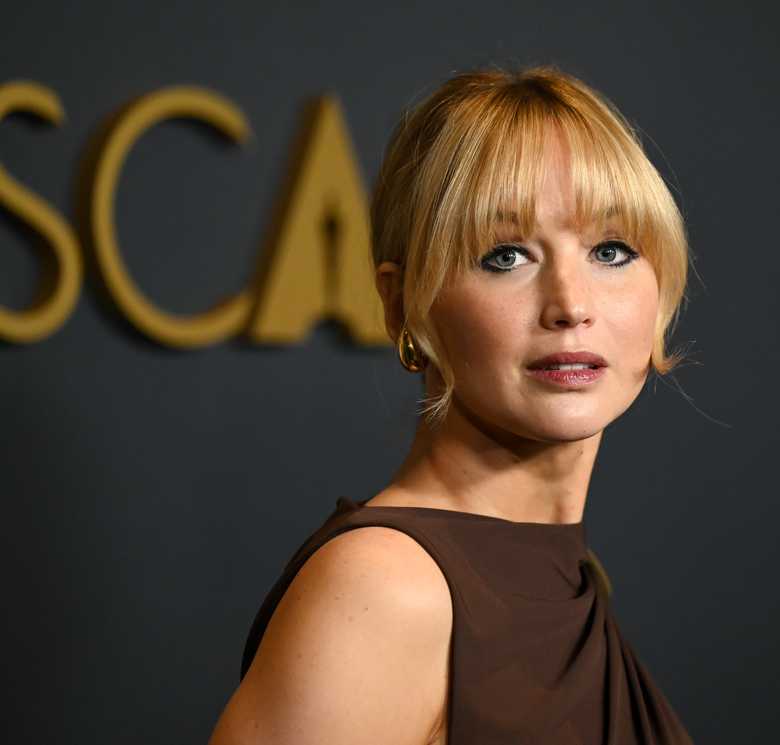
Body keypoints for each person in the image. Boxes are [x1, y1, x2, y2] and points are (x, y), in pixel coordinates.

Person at [208, 64, 694, 745]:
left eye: (610, 249)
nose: (572, 304)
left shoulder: (562, 576)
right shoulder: (385, 590)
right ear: (402, 302)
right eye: (505, 256)